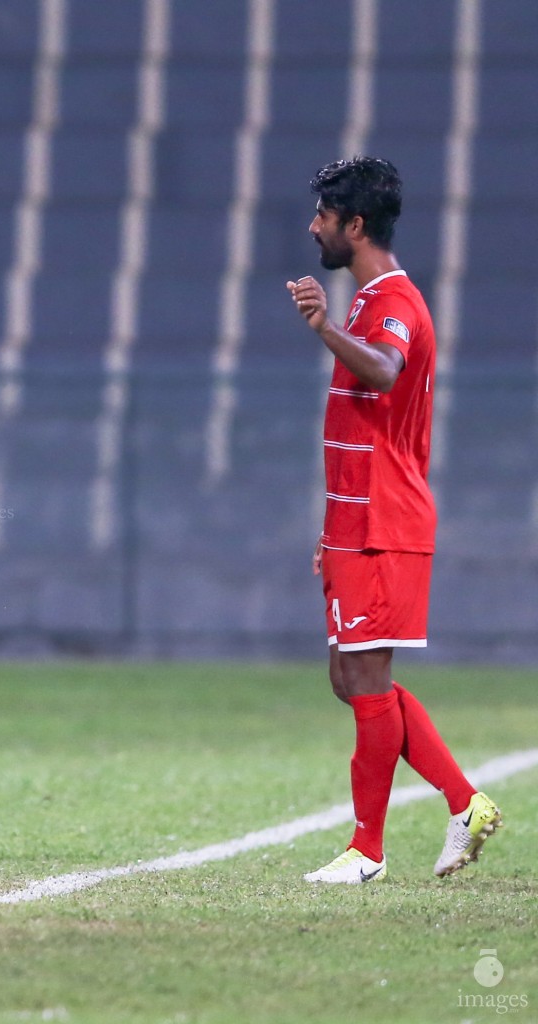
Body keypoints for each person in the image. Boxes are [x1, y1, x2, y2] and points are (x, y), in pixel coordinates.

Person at [286, 156, 500, 885]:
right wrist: (328, 530)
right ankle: (466, 803)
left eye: (323, 215)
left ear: (355, 225)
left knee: (367, 677)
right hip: (354, 523)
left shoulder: (392, 303)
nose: (313, 226)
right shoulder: (368, 299)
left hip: (385, 522)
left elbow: (382, 369)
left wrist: (320, 328)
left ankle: (367, 850)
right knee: (350, 678)